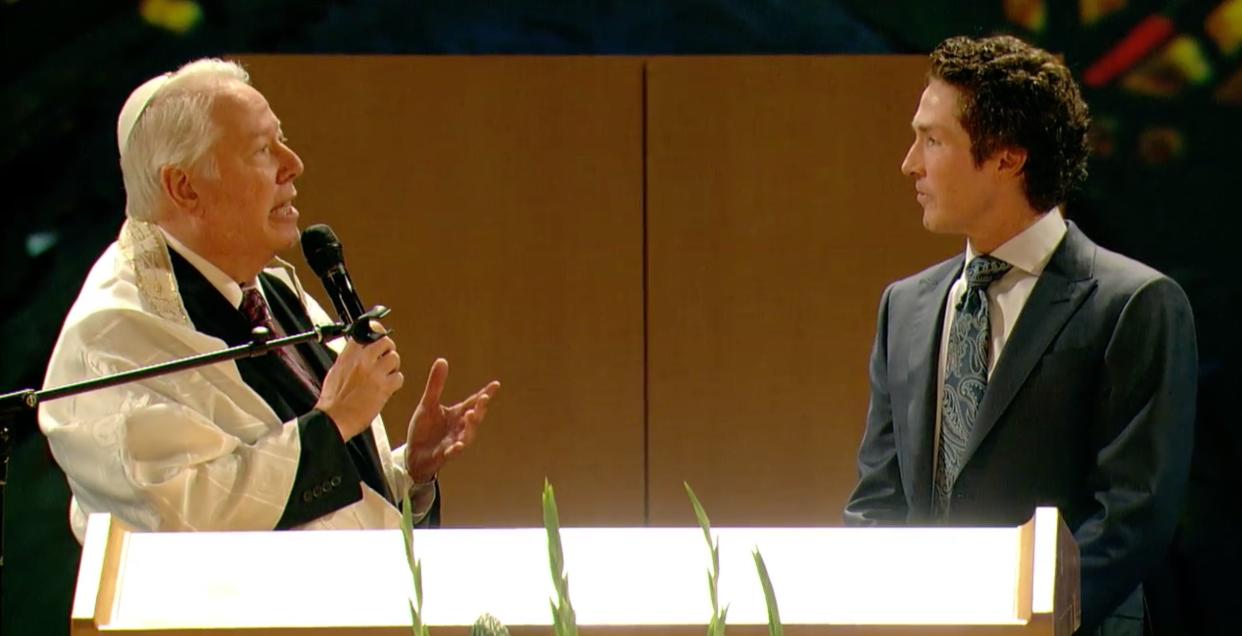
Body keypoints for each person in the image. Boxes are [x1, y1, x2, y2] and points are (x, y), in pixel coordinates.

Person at [39, 58, 499, 540]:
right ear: (184, 187)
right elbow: (181, 514)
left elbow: (317, 496)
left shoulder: (270, 289)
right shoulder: (113, 333)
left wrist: (410, 473)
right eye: (262, 149)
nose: (293, 164)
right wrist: (335, 420)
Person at [842, 35, 1195, 636]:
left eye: (933, 140)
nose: (910, 163)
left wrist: (1025, 621)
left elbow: (1131, 517)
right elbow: (878, 500)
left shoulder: (1133, 303)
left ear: (1007, 158)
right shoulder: (906, 306)